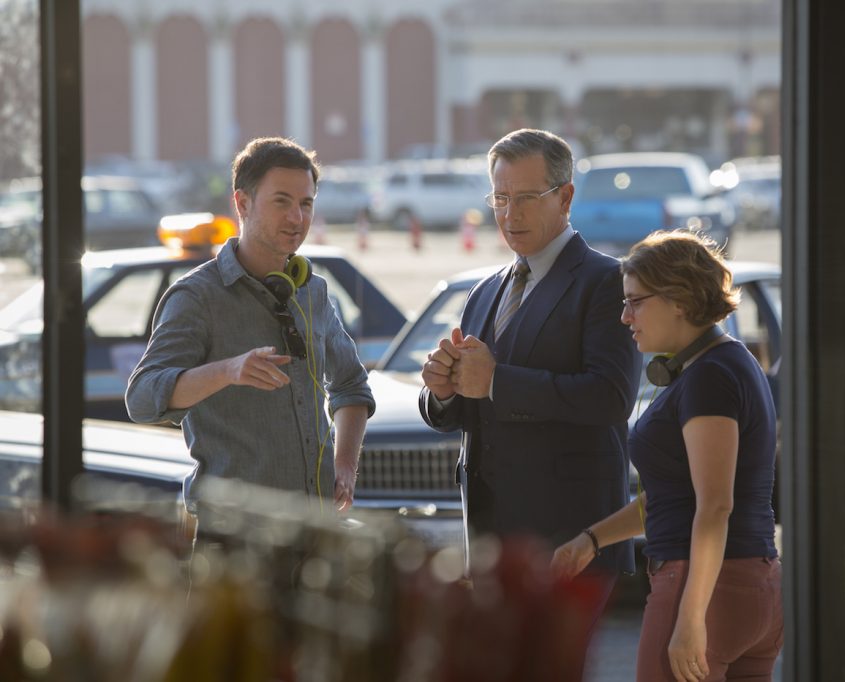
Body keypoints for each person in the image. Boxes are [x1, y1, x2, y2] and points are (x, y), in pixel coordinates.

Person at [418, 128, 643, 650]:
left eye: (525, 198)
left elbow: (611, 396)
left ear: (565, 197)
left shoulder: (606, 281)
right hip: (491, 533)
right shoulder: (485, 288)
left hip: (569, 535)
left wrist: (496, 381)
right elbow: (461, 409)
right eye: (499, 198)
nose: (509, 213)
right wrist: (444, 389)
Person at [551, 230, 782, 682]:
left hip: (704, 589)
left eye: (635, 301)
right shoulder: (726, 363)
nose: (624, 317)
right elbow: (677, 497)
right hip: (755, 589)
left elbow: (715, 506)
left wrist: (692, 617)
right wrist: (592, 539)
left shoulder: (708, 378)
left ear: (678, 299)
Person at [126, 136, 374, 527]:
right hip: (234, 543)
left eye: (305, 204)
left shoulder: (312, 290)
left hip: (317, 534)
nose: (297, 218)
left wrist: (345, 467)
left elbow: (352, 387)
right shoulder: (197, 297)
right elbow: (141, 398)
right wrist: (227, 371)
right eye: (281, 202)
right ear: (242, 203)